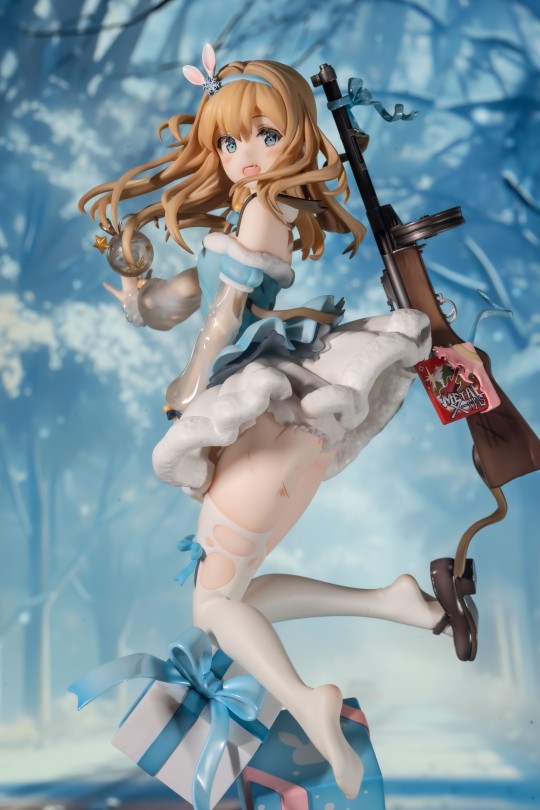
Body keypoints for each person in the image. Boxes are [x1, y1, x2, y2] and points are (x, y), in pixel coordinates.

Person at [80, 45, 449, 799]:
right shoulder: (257, 214)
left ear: (298, 135)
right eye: (228, 140)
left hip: (261, 428)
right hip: (285, 440)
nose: (245, 154)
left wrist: (189, 392)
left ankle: (311, 705)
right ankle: (387, 601)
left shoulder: (260, 213)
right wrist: (141, 302)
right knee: (234, 598)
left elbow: (221, 318)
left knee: (214, 605)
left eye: (266, 135)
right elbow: (189, 300)